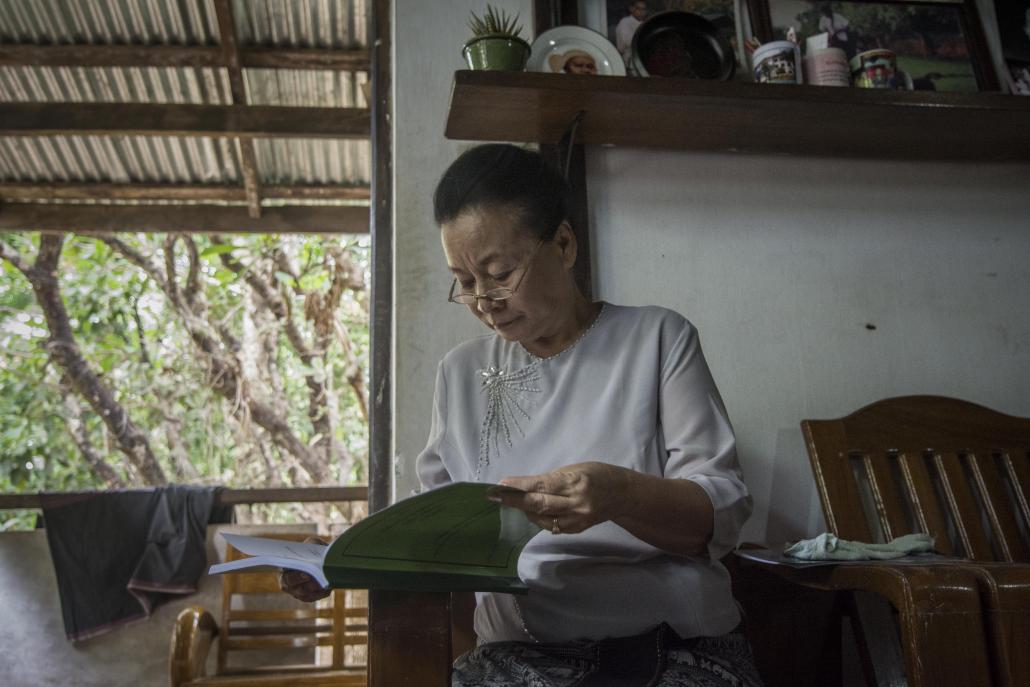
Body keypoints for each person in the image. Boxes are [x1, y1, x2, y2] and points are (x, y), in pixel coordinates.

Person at [282, 144, 762, 686]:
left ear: (563, 243)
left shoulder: (658, 338)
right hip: (517, 660)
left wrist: (617, 493)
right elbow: (434, 521)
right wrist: (345, 553)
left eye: (500, 272)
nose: (484, 299)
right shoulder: (460, 372)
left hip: (672, 647)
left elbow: (720, 512)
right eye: (465, 282)